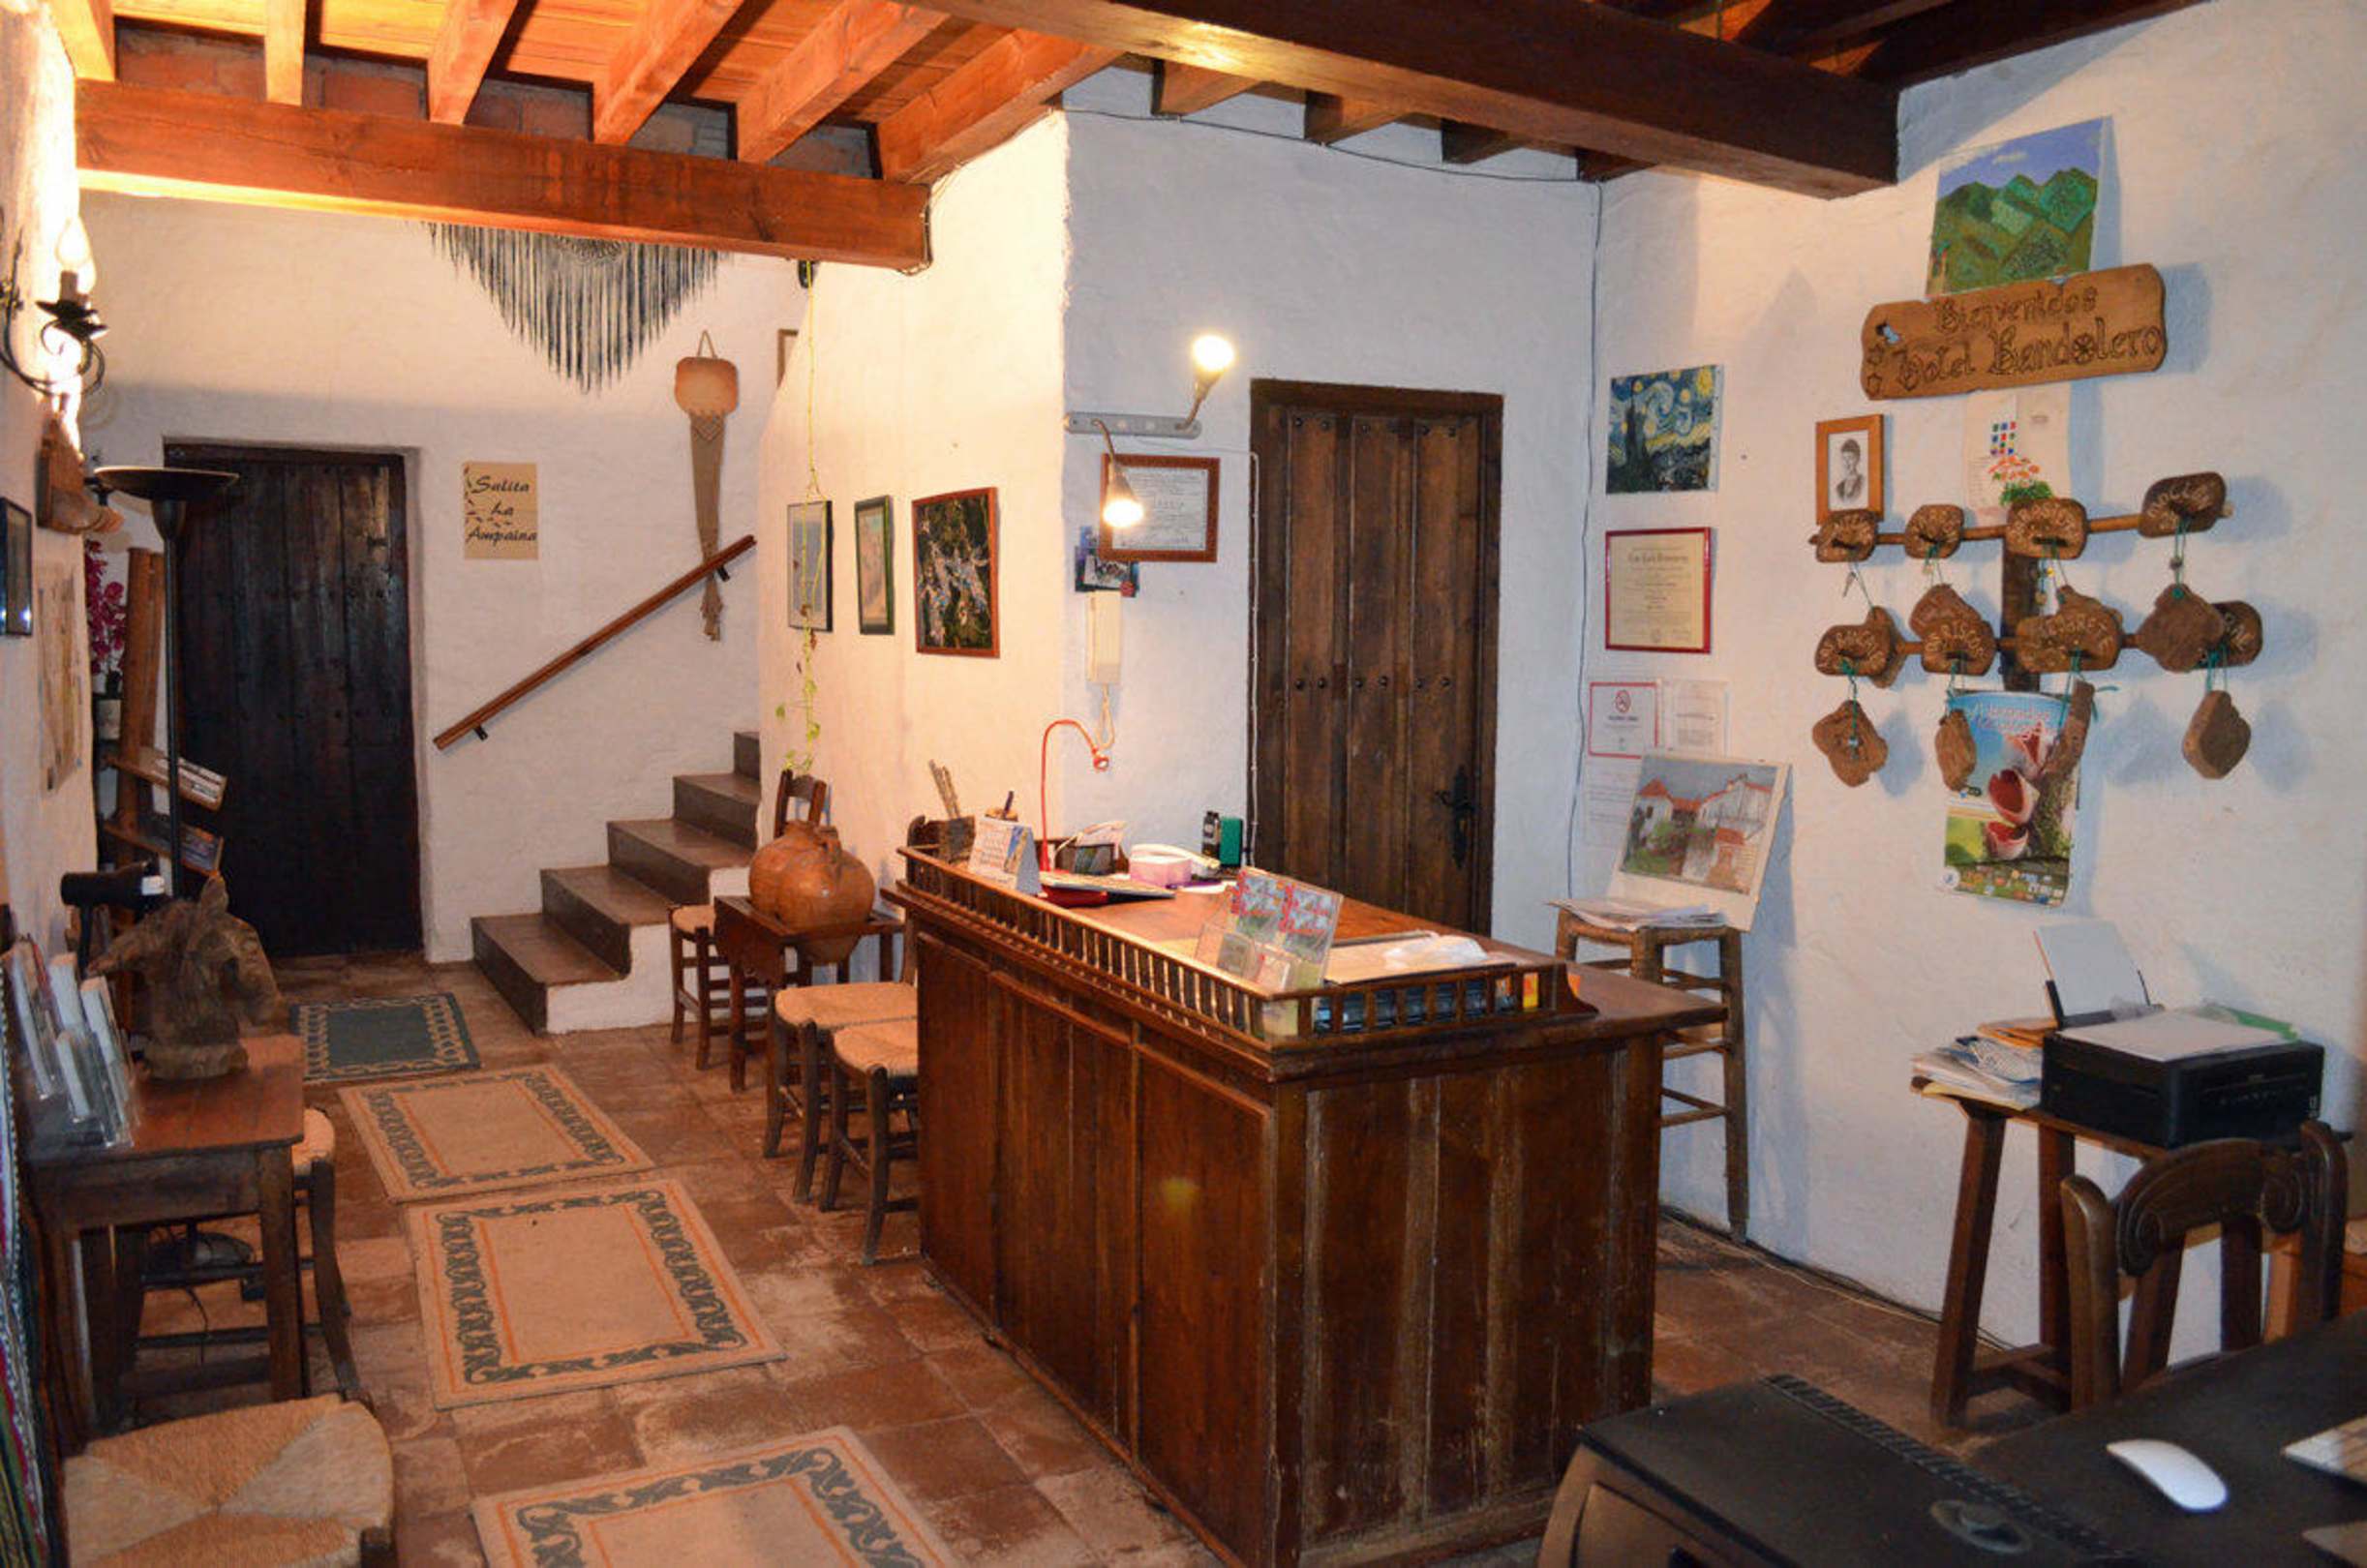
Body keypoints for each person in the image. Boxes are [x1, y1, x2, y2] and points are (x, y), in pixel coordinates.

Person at [1831, 437, 1866, 505]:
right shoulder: (1839, 487)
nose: (1846, 463)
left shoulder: (1863, 482)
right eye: (1844, 458)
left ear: (1858, 459)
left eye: (1850, 458)